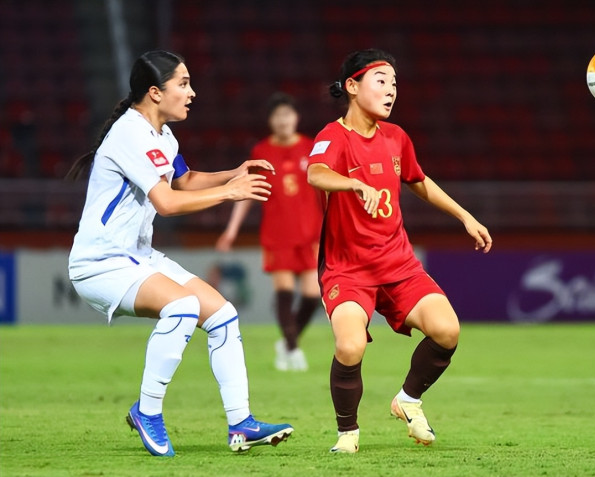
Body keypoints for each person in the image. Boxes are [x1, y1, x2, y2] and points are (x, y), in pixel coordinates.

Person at [66, 50, 293, 457]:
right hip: (100, 263)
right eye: (183, 84)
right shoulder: (129, 133)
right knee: (183, 307)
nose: (192, 92)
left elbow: (183, 181)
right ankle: (147, 411)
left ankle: (241, 423)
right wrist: (229, 192)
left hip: (138, 256)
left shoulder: (163, 136)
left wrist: (234, 173)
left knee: (222, 315)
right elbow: (168, 203)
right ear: (155, 92)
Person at [306, 49, 493, 453]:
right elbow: (315, 173)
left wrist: (464, 216)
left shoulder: (396, 137)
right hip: (347, 270)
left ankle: (407, 400)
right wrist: (354, 184)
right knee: (350, 346)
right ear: (352, 86)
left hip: (398, 264)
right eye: (381, 81)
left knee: (447, 330)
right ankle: (348, 433)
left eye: (394, 83)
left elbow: (418, 180)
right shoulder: (333, 136)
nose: (391, 90)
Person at [216, 93, 322, 372]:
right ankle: (293, 349)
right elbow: (247, 193)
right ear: (271, 121)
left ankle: (287, 343)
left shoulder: (311, 148)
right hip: (278, 234)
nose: (283, 120)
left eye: (287, 114)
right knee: (285, 292)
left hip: (310, 234)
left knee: (312, 296)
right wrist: (231, 230)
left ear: (296, 118)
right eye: (278, 116)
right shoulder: (262, 152)